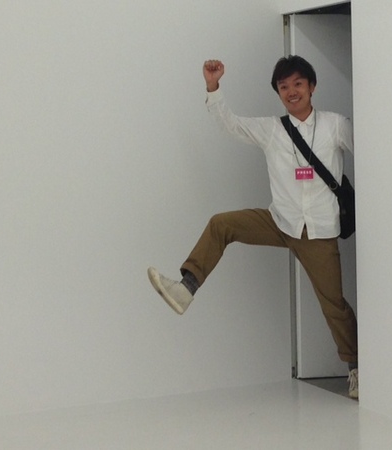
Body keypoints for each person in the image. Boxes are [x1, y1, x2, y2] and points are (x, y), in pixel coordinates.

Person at [148, 56, 359, 399]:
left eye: (298, 84)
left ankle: (357, 369)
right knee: (222, 224)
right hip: (279, 221)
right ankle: (186, 287)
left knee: (334, 305)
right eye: (284, 86)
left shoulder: (335, 125)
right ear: (278, 92)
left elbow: (373, 151)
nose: (291, 91)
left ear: (312, 87)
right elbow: (230, 125)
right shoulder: (272, 129)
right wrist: (213, 87)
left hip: (318, 232)